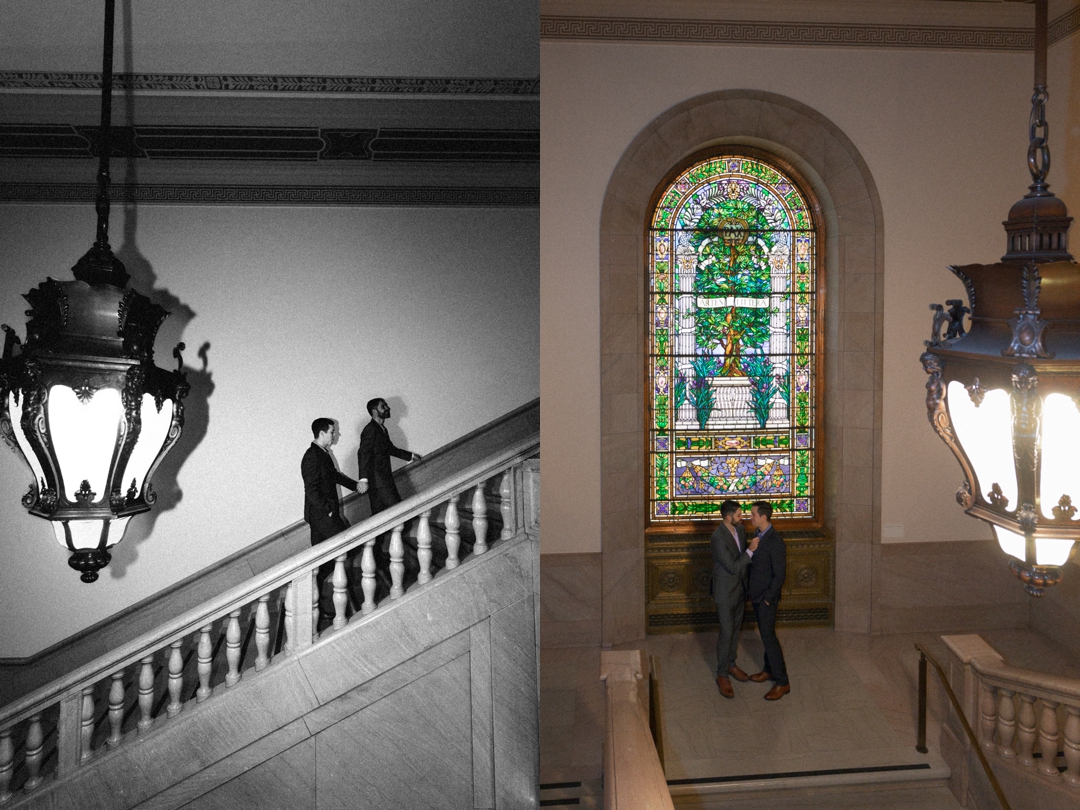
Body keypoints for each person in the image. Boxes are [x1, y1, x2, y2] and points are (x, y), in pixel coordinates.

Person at [301, 417, 359, 624]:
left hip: (321, 516)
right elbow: (311, 490)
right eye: (332, 431)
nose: (335, 435)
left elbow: (333, 475)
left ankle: (309, 601)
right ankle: (339, 600)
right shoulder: (311, 457)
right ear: (322, 433)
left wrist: (355, 486)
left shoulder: (322, 454)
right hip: (322, 517)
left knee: (322, 561)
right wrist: (329, 512)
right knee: (348, 547)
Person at [709, 499, 759, 699]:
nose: (743, 517)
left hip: (740, 589)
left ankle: (731, 664)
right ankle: (722, 674)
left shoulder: (740, 530)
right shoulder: (718, 537)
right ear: (728, 517)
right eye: (739, 515)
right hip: (724, 591)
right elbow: (732, 566)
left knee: (736, 628)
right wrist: (751, 551)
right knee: (727, 630)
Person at [747, 500, 790, 700]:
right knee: (766, 635)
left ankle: (782, 682)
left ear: (764, 517)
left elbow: (779, 575)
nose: (750, 517)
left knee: (769, 638)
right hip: (758, 596)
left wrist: (767, 599)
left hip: (766, 599)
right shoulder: (758, 535)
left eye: (753, 514)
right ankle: (768, 670)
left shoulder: (775, 541)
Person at [357, 398, 422, 512]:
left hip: (383, 480)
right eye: (383, 406)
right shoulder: (370, 430)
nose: (388, 408)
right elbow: (363, 453)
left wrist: (410, 456)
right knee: (396, 512)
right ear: (374, 411)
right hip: (379, 482)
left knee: (383, 514)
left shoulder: (381, 429)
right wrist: (363, 479)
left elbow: (390, 449)